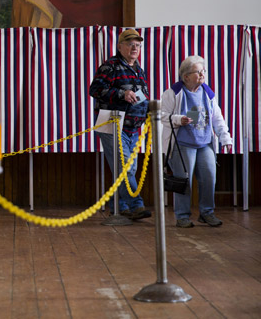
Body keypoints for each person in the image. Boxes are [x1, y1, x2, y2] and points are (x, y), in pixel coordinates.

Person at [162, 55, 233, 228]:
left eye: (203, 71)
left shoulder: (207, 92)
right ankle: (182, 216)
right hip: (182, 143)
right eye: (198, 72)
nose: (202, 75)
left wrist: (225, 137)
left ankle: (207, 213)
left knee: (209, 178)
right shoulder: (173, 92)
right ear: (186, 76)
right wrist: (179, 119)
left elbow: (217, 117)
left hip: (204, 143)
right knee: (183, 181)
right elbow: (161, 116)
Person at [90, 29, 151, 220]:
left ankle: (120, 205)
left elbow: (141, 95)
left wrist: (148, 108)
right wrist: (121, 94)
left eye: (138, 45)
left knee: (128, 168)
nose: (135, 48)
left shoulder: (138, 69)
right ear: (120, 46)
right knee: (125, 166)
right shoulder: (110, 66)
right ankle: (136, 205)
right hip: (111, 123)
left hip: (133, 127)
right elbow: (95, 89)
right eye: (130, 44)